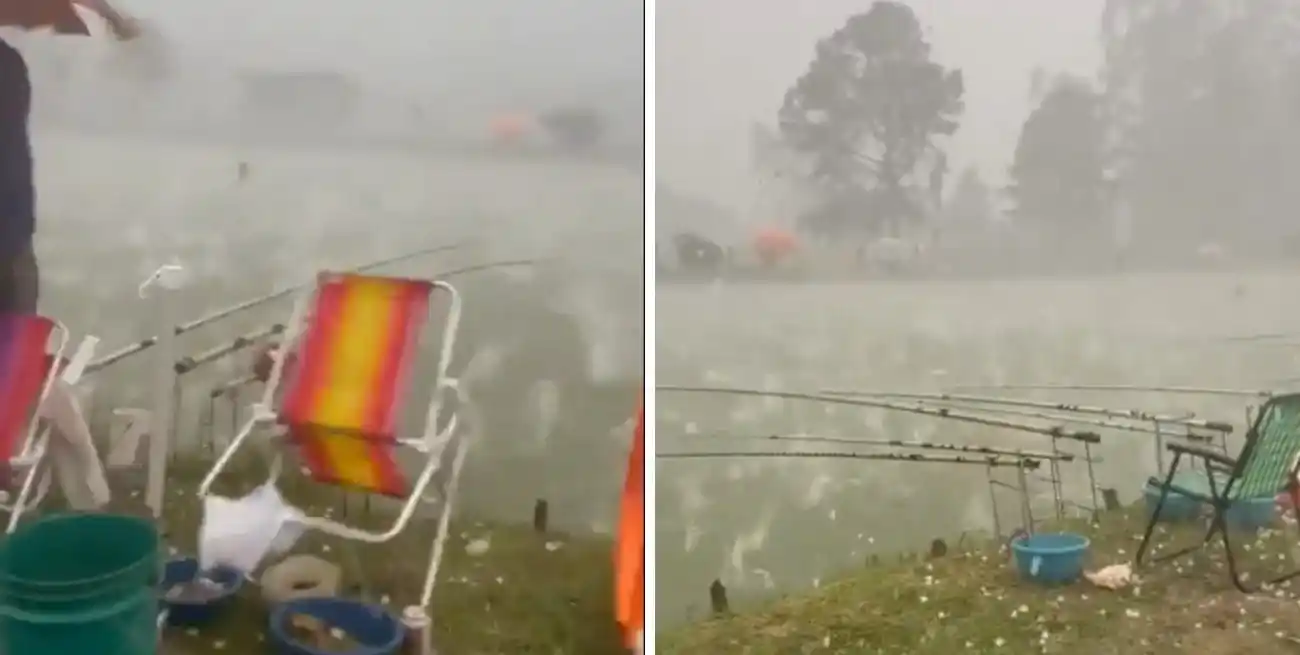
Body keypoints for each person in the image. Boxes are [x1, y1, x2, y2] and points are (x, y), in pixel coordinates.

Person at [0, 0, 138, 313]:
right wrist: (112, 17)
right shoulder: (9, 65)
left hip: (11, 239)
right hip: (12, 241)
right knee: (16, 337)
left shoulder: (9, 66)